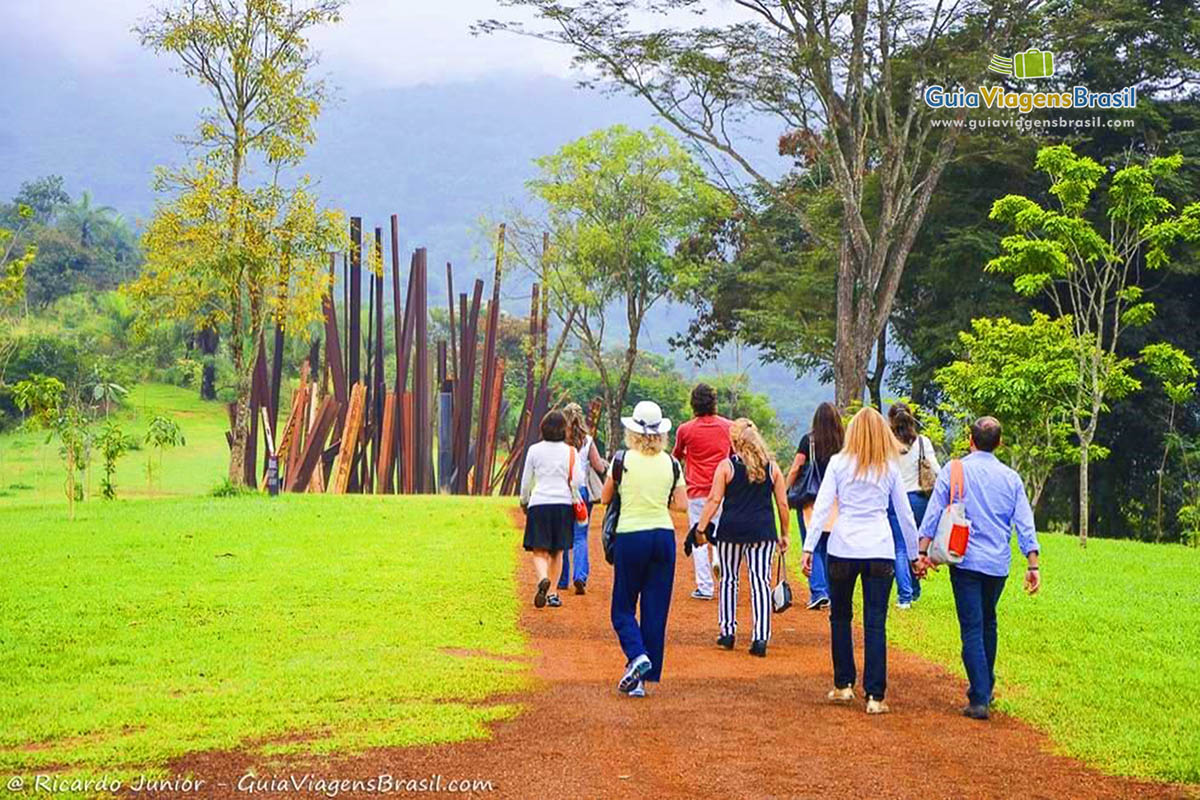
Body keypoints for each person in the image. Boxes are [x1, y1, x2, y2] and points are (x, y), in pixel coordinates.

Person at [918, 416, 1040, 721]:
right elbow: (1024, 522)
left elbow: (934, 512)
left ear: (970, 440)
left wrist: (921, 550)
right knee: (988, 621)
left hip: (965, 559)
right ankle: (986, 687)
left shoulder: (954, 470)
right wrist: (1032, 563)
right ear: (999, 443)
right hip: (997, 564)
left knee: (972, 625)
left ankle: (980, 696)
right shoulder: (1011, 478)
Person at [803, 407, 923, 715]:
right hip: (879, 550)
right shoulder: (889, 467)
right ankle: (875, 695)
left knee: (840, 617)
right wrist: (913, 556)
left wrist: (808, 548)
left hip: (842, 548)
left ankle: (844, 685)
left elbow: (823, 506)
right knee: (875, 622)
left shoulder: (839, 464)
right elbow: (906, 516)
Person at [602, 400, 687, 698]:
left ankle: (636, 656)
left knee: (623, 607)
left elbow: (604, 498)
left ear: (633, 430)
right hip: (663, 536)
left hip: (631, 535)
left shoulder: (621, 460)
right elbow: (682, 505)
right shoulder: (672, 463)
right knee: (655, 609)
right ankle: (641, 680)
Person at [693, 418, 791, 657]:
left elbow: (714, 500)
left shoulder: (726, 467)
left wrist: (701, 527)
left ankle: (728, 632)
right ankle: (760, 637)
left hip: (731, 530)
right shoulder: (772, 468)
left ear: (734, 442)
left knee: (729, 579)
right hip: (763, 531)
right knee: (760, 581)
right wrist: (785, 533)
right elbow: (782, 504)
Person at [672, 384, 733, 601]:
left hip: (696, 490)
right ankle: (721, 564)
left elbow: (675, 456)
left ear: (693, 404)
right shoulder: (729, 427)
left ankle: (705, 587)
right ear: (714, 403)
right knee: (721, 534)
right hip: (724, 489)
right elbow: (734, 456)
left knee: (698, 535)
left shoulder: (685, 430)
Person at [520, 410, 584, 610]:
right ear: (564, 430)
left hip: (539, 502)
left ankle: (543, 579)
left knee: (539, 550)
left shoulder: (534, 450)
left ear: (543, 428)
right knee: (557, 551)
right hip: (563, 504)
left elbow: (526, 480)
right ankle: (553, 593)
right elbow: (578, 480)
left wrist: (524, 500)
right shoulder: (571, 452)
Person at [785, 402, 844, 610]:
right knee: (829, 545)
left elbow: (796, 467)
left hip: (811, 498)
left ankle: (819, 591)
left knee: (813, 543)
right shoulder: (843, 442)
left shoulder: (808, 440)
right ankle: (829, 589)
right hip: (836, 500)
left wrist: (785, 490)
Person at [887, 402, 941, 609]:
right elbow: (936, 469)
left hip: (896, 499)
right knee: (916, 546)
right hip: (920, 499)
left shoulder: (888, 442)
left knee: (900, 548)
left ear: (891, 420)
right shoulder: (922, 442)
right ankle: (915, 591)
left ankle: (905, 596)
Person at [557, 403, 608, 595]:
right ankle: (580, 576)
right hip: (583, 493)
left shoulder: (560, 440)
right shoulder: (587, 441)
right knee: (580, 536)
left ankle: (562, 579)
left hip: (562, 492)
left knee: (563, 535)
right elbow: (599, 467)